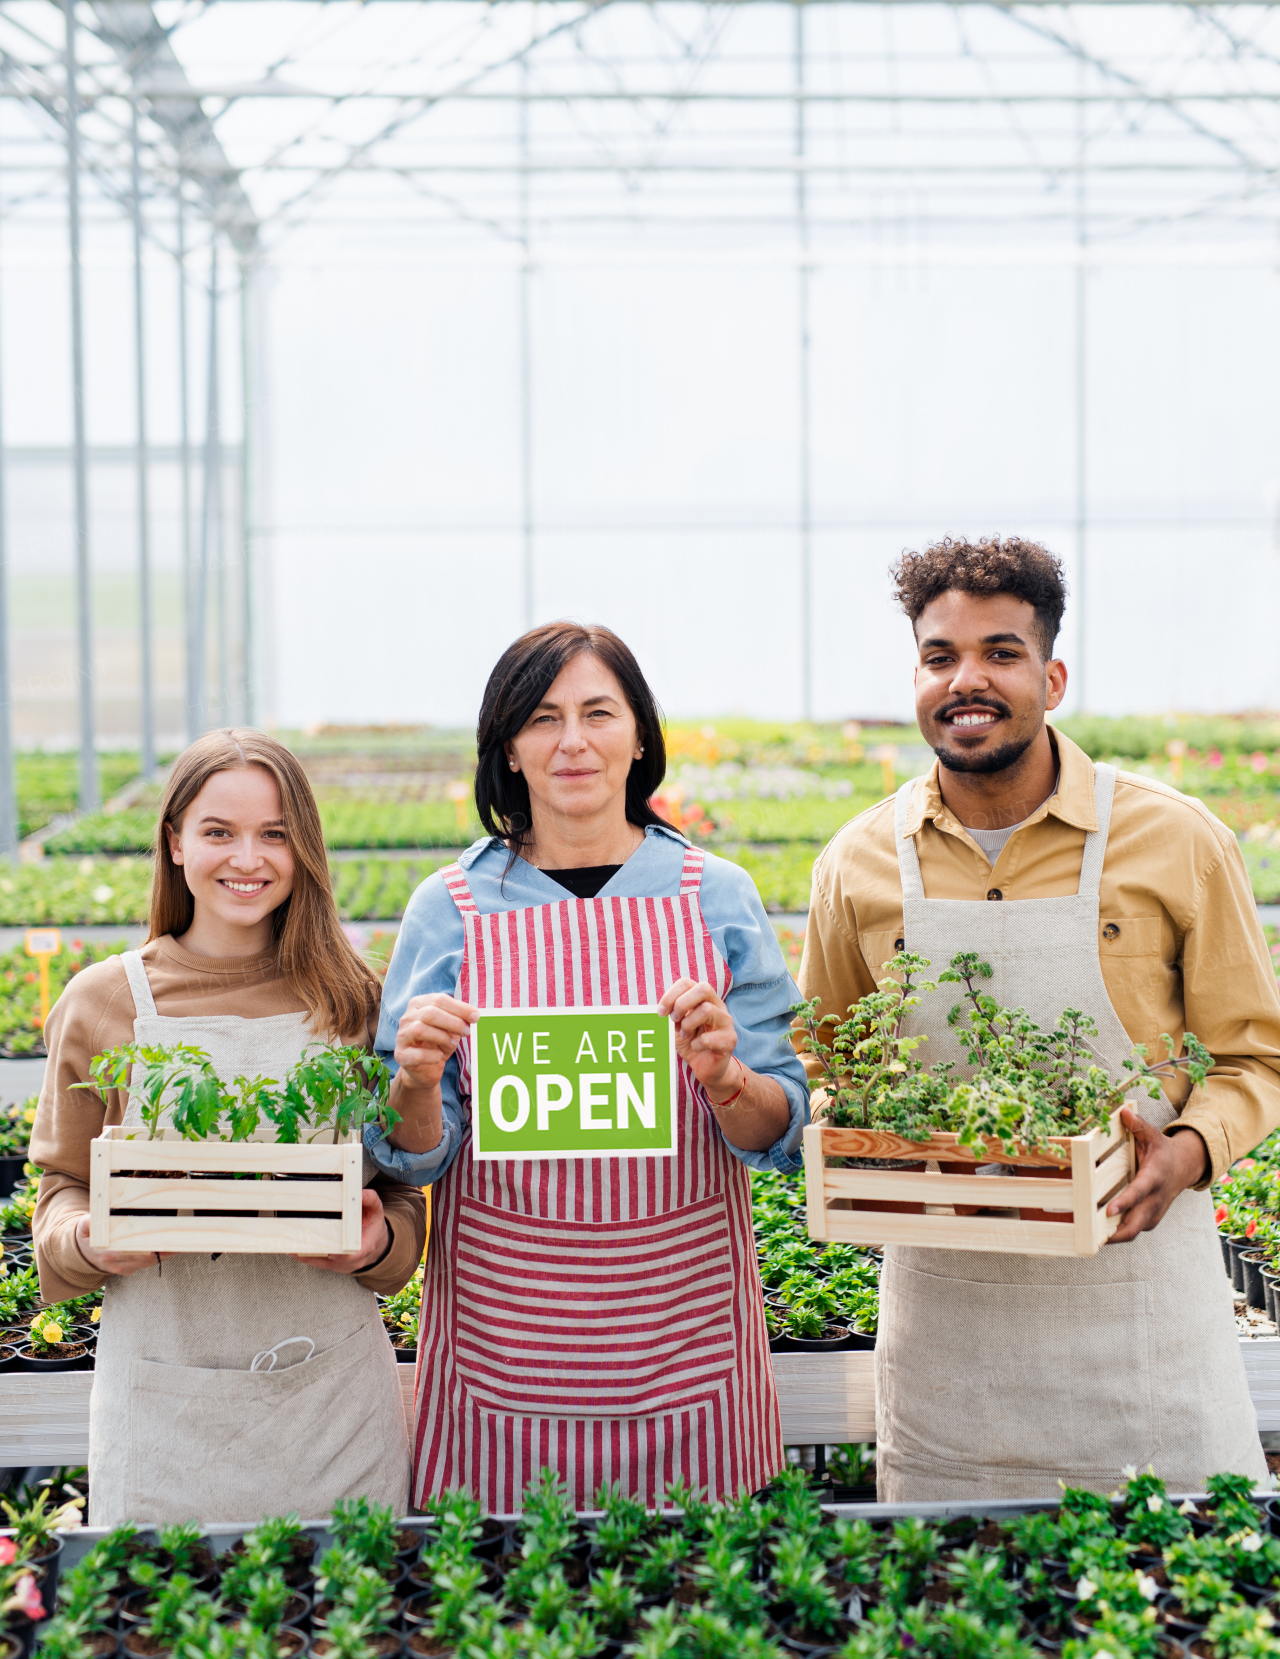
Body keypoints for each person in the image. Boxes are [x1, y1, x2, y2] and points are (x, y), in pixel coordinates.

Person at [800, 535, 1280, 1501]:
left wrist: (1184, 1152)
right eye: (940, 657)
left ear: (1051, 675)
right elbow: (826, 1063)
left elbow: (1255, 1056)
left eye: (1000, 653)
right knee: (957, 1631)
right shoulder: (856, 863)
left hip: (1146, 1336)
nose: (966, 680)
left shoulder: (1176, 839)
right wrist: (842, 1145)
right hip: (948, 1356)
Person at [365, 622, 809, 1510]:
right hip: (505, 1351)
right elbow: (412, 1154)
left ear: (639, 735)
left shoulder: (712, 894)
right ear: (510, 749)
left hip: (690, 1348)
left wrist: (727, 1079)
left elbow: (783, 1129)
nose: (572, 741)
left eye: (597, 712)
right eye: (542, 717)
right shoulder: (448, 906)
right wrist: (414, 1081)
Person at [31, 729, 426, 1525]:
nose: (248, 857)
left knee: (341, 1639)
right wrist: (89, 1241)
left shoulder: (358, 1000)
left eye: (274, 833)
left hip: (333, 1409)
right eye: (219, 831)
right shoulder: (103, 1002)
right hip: (160, 1409)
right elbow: (60, 1193)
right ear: (175, 841)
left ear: (303, 848)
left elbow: (406, 1194)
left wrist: (381, 1244)